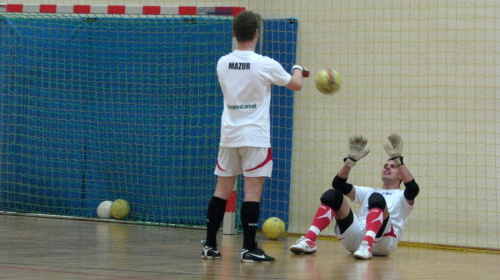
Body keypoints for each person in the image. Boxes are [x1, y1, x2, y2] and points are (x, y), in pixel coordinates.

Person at [201, 10, 309, 263]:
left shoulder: (222, 63)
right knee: (252, 191)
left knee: (221, 190)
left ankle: (209, 244)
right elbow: (296, 84)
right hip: (255, 137)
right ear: (257, 33)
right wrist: (297, 68)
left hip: (229, 135)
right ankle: (248, 247)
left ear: (234, 34)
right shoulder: (265, 64)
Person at [290, 133, 419, 260]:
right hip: (356, 240)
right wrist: (350, 161)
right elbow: (338, 184)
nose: (387, 168)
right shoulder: (368, 191)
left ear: (401, 175)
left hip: (384, 242)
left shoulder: (402, 195)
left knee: (377, 198)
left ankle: (368, 244)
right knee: (332, 195)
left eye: (393, 166)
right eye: (385, 166)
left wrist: (398, 160)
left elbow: (413, 189)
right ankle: (309, 240)